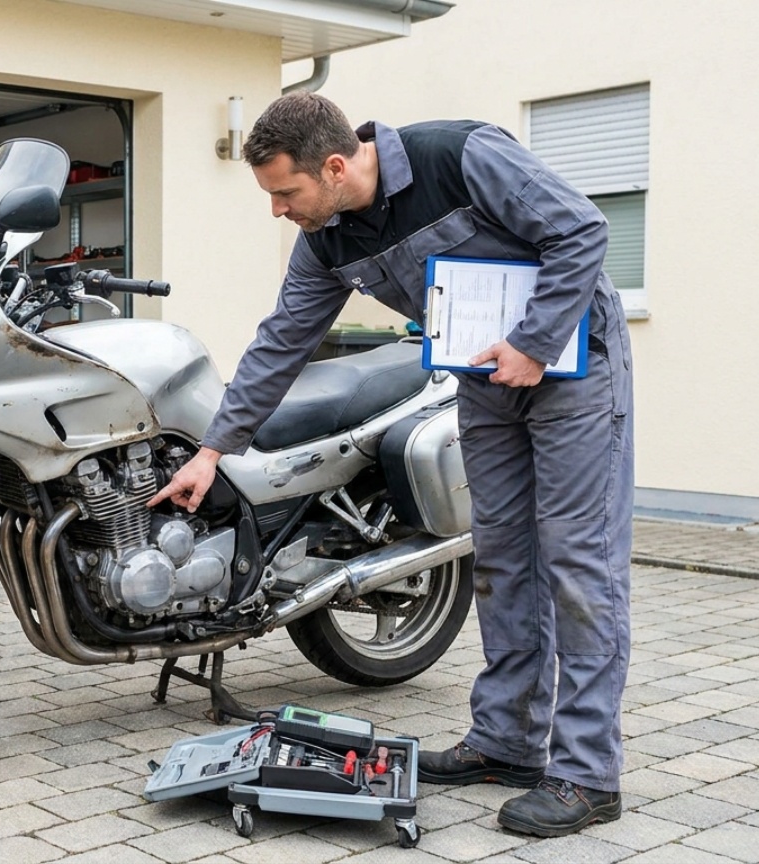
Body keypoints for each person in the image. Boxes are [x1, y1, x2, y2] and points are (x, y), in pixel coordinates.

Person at [149, 92, 633, 838]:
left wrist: (534, 343)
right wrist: (213, 451)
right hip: (484, 380)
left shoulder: (461, 156)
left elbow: (580, 230)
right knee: (501, 558)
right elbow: (283, 340)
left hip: (573, 366)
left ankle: (588, 774)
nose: (278, 210)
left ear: (336, 166)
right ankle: (506, 742)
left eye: (285, 192)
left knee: (577, 564)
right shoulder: (327, 238)